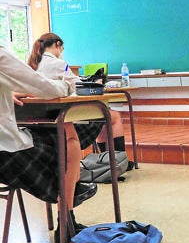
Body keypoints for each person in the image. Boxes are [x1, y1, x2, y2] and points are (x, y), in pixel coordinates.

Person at [0, 45, 93, 243]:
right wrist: (69, 86)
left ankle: (65, 190)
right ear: (57, 46)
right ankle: (66, 217)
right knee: (68, 137)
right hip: (6, 153)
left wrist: (7, 93)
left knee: (54, 134)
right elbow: (44, 88)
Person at [27, 33, 129, 161]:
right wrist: (95, 83)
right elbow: (77, 85)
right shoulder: (59, 63)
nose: (61, 52)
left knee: (103, 116)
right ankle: (118, 162)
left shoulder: (32, 64)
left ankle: (110, 161)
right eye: (62, 49)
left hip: (39, 121)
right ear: (58, 45)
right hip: (65, 120)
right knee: (112, 116)